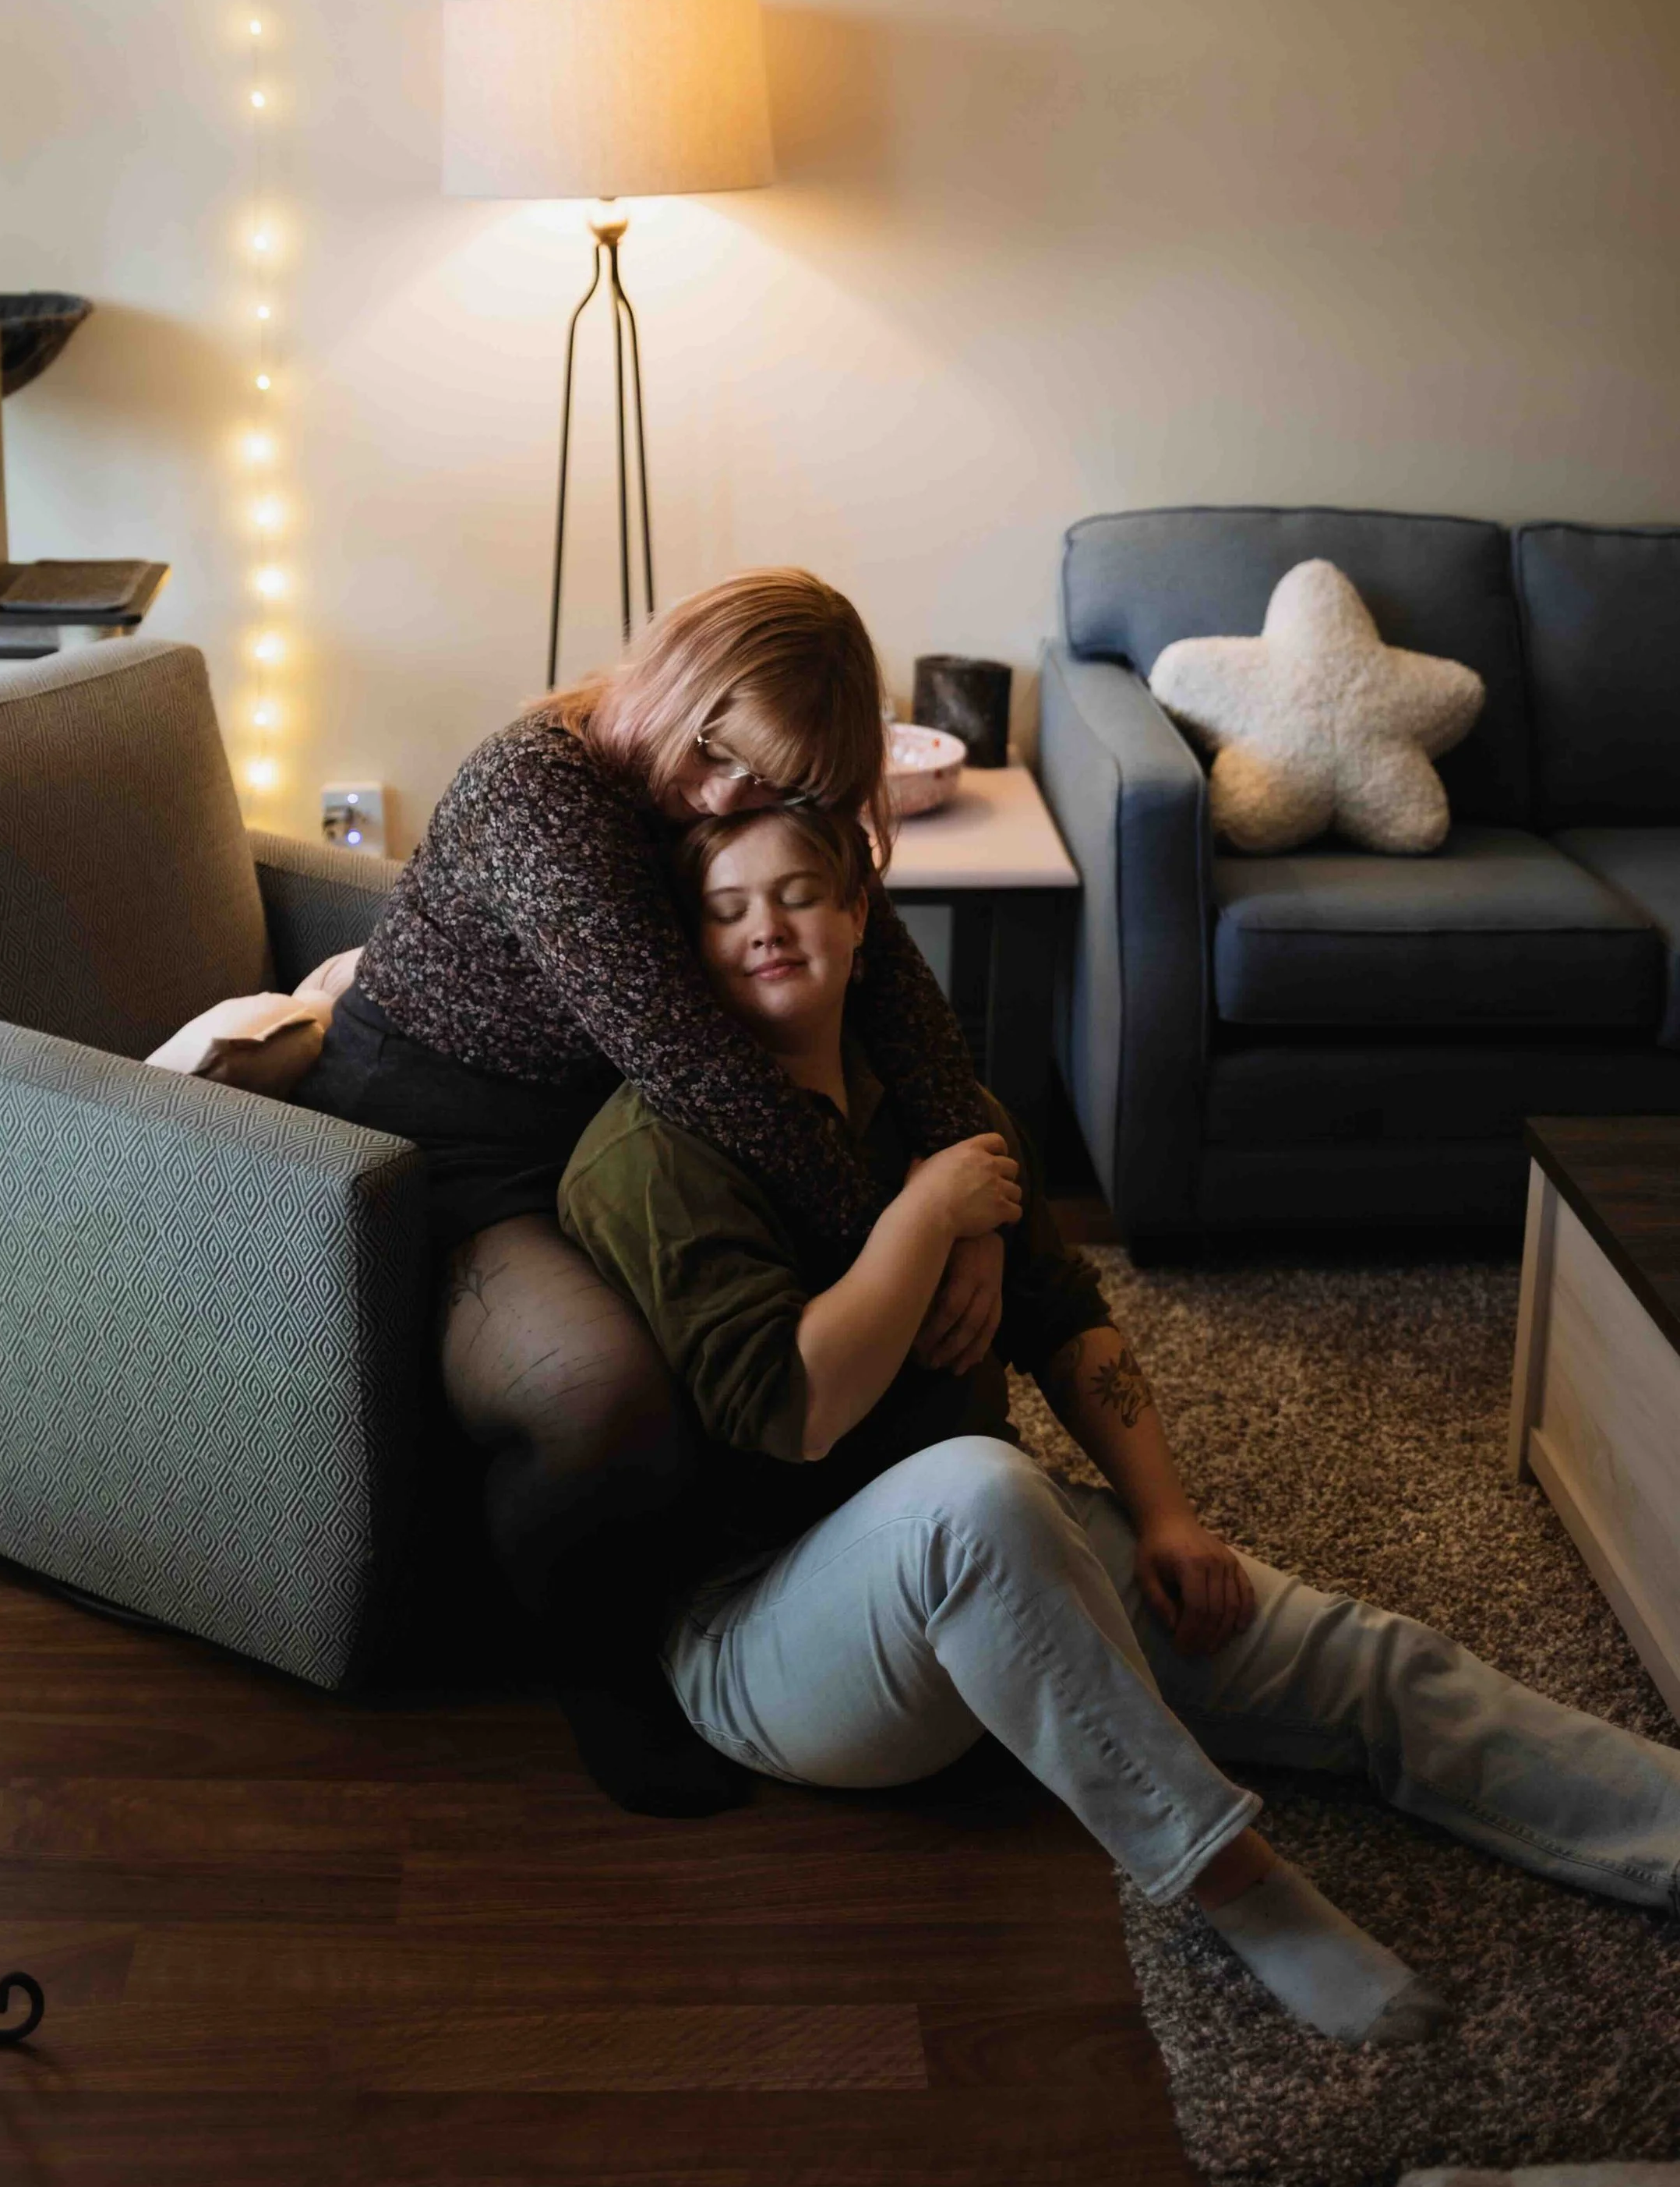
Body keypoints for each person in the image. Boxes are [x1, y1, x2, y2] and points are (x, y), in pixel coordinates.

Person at [559, 802, 1680, 2045]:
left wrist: (1166, 1515)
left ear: (861, 918)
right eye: (724, 910)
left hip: (1001, 1557)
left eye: (797, 895)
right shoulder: (651, 1151)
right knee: (978, 1491)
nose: (765, 927)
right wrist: (930, 1213)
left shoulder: (933, 1102)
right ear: (685, 946)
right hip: (764, 1633)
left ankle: (1665, 1824)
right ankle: (1227, 1874)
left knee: (1370, 1659)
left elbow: (1067, 1315)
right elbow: (798, 1409)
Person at [300, 569, 1037, 1815]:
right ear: (675, 682)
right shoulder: (543, 790)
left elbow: (897, 993)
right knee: (605, 1389)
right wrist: (914, 1226)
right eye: (711, 752)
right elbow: (697, 1065)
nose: (720, 797)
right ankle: (593, 1665)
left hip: (609, 1128)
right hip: (438, 1144)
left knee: (800, 1311)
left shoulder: (757, 790)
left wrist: (983, 1203)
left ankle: (814, 1583)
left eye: (772, 789)